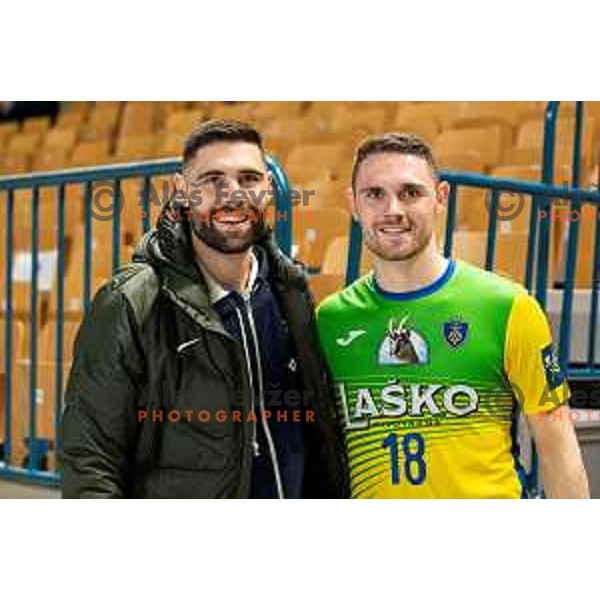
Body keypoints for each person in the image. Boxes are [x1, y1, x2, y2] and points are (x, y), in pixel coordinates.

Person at [61, 119, 349, 499]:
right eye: (213, 179)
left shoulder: (289, 290)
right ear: (182, 192)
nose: (232, 195)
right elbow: (90, 461)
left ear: (267, 188)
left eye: (248, 179)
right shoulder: (131, 301)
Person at [316, 132, 589, 499]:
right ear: (353, 204)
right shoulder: (330, 321)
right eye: (375, 194)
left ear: (440, 198)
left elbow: (558, 447)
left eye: (411, 192)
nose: (392, 209)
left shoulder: (508, 306)